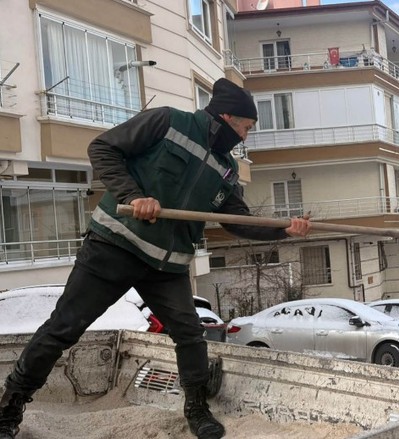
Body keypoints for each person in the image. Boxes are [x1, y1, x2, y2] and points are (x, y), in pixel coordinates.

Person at [0, 78, 311, 439]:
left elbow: (237, 220)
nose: (245, 137)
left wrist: (282, 230)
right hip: (113, 247)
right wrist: (134, 196)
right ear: (227, 116)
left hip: (166, 266)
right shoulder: (167, 122)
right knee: (63, 329)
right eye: (245, 127)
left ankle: (196, 408)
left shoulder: (226, 170)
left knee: (190, 334)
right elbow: (102, 148)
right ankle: (10, 408)